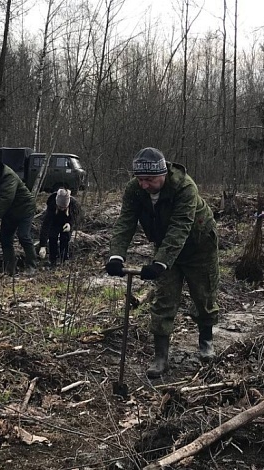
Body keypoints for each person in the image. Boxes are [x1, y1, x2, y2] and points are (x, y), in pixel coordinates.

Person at [105, 147, 220, 379]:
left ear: (163, 174)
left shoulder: (185, 187)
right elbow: (125, 221)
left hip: (199, 246)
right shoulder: (134, 190)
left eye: (149, 180)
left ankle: (206, 341)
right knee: (164, 299)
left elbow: (180, 227)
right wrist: (116, 256)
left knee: (204, 295)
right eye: (140, 179)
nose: (144, 185)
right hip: (165, 246)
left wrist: (160, 263)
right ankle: (160, 356)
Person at [38, 188, 81, 266]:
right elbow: (46, 225)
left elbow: (77, 218)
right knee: (52, 237)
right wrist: (42, 246)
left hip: (67, 222)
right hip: (55, 221)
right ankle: (52, 260)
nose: (62, 209)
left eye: (64, 208)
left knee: (65, 238)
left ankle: (64, 259)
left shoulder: (74, 204)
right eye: (60, 207)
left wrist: (70, 224)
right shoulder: (52, 204)